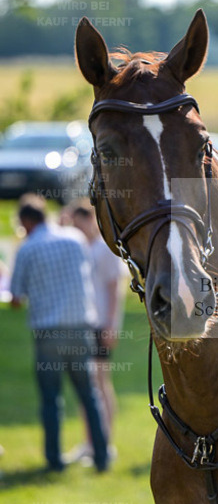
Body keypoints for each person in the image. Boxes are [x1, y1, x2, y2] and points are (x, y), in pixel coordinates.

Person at [9, 194, 109, 473]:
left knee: (51, 398)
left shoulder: (28, 248)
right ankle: (101, 457)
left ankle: (54, 461)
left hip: (48, 332)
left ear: (27, 221)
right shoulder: (75, 239)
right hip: (80, 329)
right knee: (89, 395)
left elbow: (16, 298)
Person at [62, 200, 125, 464]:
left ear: (91, 220)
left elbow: (115, 290)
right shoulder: (80, 248)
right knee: (87, 385)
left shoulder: (104, 249)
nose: (77, 230)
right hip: (85, 323)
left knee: (100, 383)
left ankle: (105, 443)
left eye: (80, 224)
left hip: (101, 325)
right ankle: (90, 442)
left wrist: (111, 325)